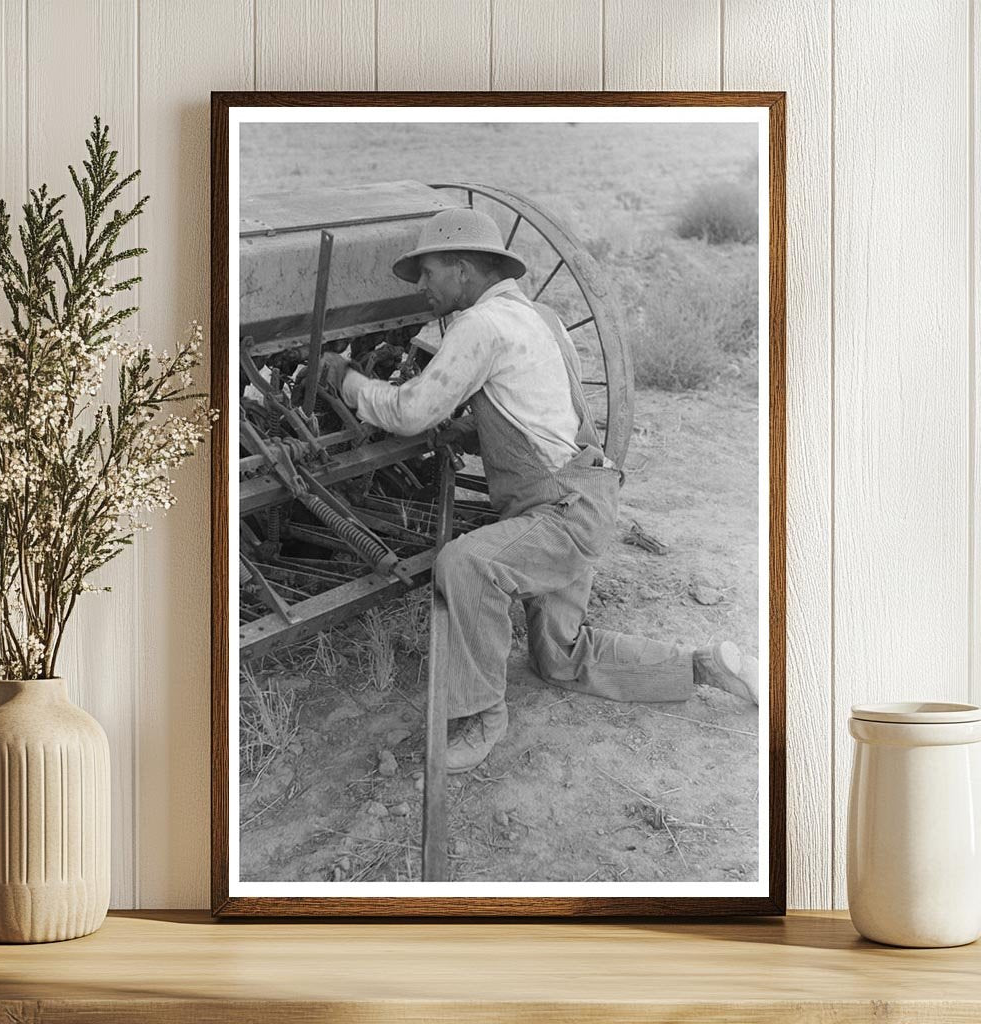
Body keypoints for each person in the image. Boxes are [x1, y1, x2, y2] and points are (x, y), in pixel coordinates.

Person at [320, 207, 757, 774]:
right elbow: (537, 413)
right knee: (560, 658)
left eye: (427, 273)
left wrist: (344, 379)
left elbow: (410, 410)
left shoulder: (481, 326)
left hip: (561, 512)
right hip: (587, 493)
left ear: (463, 268)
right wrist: (470, 427)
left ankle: (482, 717)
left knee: (466, 564)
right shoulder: (539, 318)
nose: (422, 287)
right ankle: (703, 666)